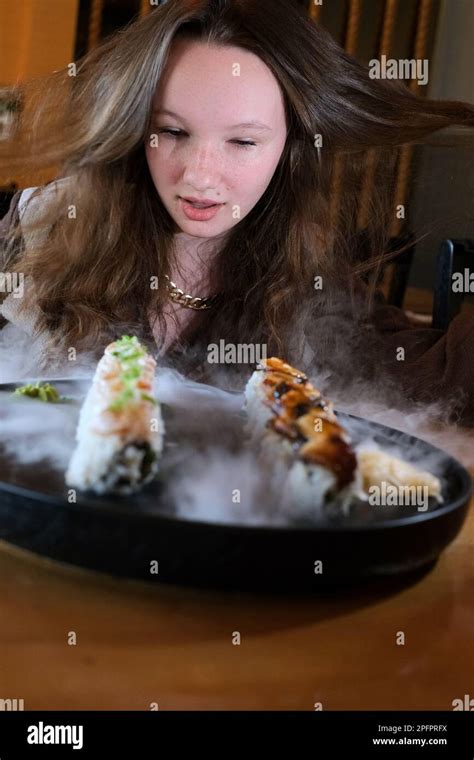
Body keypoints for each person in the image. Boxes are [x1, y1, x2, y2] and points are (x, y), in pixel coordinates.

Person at [1, 0, 473, 423]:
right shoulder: (37, 234)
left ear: (289, 148)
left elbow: (429, 377)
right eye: (172, 132)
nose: (201, 177)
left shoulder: (303, 273)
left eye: (243, 141)